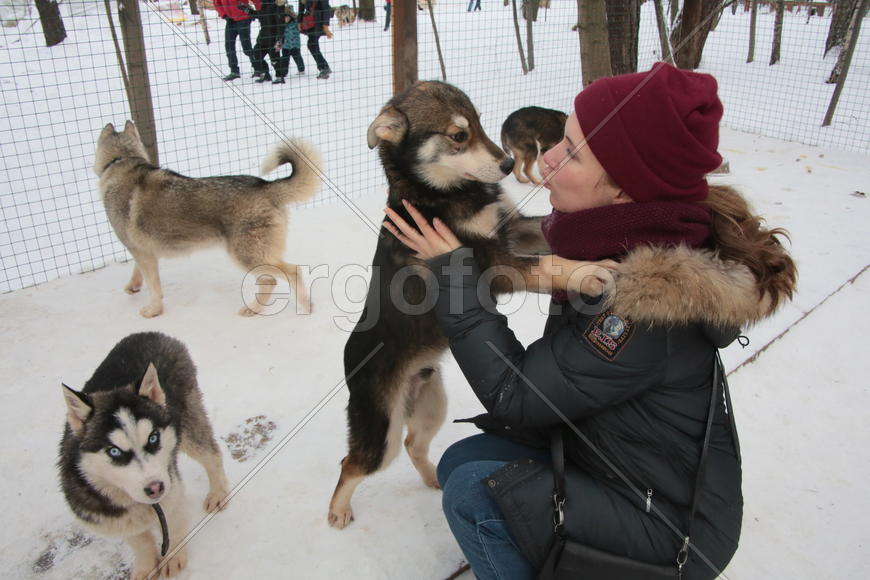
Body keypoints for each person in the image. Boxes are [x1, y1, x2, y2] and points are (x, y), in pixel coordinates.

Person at [383, 62, 796, 580]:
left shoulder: (645, 304)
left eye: (572, 153)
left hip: (672, 530)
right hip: (608, 455)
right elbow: (524, 256)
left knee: (472, 494)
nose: (547, 160)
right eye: (562, 140)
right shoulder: (620, 237)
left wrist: (457, 280)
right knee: (460, 460)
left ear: (624, 190)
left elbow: (520, 398)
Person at [214, 0, 260, 81]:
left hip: (244, 19)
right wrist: (224, 15)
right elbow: (216, 2)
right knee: (229, 46)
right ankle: (234, 71)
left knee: (246, 46)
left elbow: (257, 1)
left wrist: (260, 12)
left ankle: (258, 68)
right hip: (230, 20)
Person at [242, 0, 285, 84]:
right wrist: (246, 9)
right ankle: (265, 74)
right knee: (256, 54)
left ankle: (280, 77)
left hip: (274, 39)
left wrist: (280, 39)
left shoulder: (277, 7)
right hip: (263, 37)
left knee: (275, 60)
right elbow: (258, 15)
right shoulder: (264, 5)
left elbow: (281, 24)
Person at [299, 0, 333, 80]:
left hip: (318, 21)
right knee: (313, 45)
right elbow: (301, 7)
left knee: (312, 44)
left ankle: (324, 67)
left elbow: (326, 9)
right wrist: (299, 21)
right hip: (310, 21)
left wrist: (325, 26)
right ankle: (324, 67)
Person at [277, 1, 306, 79]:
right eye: (284, 17)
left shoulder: (296, 23)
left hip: (295, 45)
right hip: (285, 46)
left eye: (287, 17)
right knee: (285, 60)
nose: (285, 19)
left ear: (291, 17)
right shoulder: (282, 26)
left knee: (297, 57)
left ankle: (301, 69)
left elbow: (301, 27)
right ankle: (284, 72)